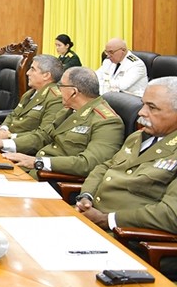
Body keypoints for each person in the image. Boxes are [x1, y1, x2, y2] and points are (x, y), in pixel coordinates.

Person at [0, 67, 124, 179]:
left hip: (54, 178)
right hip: (36, 169)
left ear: (73, 91)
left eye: (61, 86)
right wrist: (4, 144)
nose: (58, 91)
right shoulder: (68, 111)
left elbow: (88, 164)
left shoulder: (108, 122)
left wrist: (37, 162)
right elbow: (42, 136)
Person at [76, 77, 177, 234]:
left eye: (152, 107)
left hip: (126, 236)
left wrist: (107, 219)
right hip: (91, 218)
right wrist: (86, 196)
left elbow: (170, 215)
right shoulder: (139, 136)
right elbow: (105, 167)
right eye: (143, 104)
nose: (141, 112)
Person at [0, 54, 64, 140]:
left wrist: (10, 136)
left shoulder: (55, 99)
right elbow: (13, 115)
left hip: (23, 148)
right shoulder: (30, 93)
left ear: (46, 75)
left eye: (32, 69)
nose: (27, 73)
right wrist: (3, 129)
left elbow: (44, 134)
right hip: (6, 142)